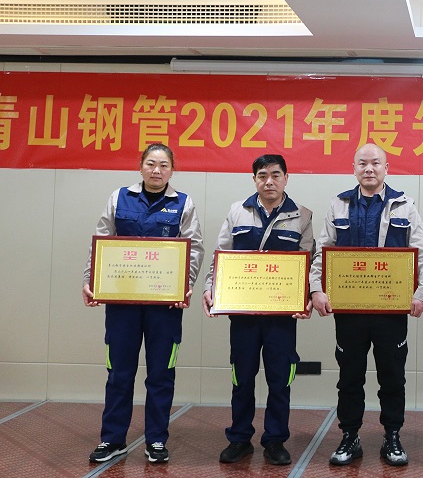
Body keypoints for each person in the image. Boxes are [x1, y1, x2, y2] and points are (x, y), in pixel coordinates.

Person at [309, 143, 423, 467]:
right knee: (350, 377)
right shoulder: (339, 205)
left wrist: (422, 293)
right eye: (362, 163)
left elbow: (422, 251)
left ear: (386, 168)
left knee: (392, 377)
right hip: (349, 311)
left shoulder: (404, 205)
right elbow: (323, 250)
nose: (369, 169)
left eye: (375, 163)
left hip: (390, 311)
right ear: (354, 168)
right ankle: (350, 436)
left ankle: (392, 436)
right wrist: (316, 289)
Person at [82, 143, 204, 464]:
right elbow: (101, 241)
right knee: (119, 373)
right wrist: (91, 280)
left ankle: (157, 440)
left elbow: (193, 248)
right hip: (122, 303)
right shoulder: (119, 197)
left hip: (165, 306)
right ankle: (112, 439)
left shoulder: (183, 203)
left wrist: (184, 285)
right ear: (140, 167)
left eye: (163, 165)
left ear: (172, 170)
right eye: (151, 164)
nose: (156, 170)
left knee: (161, 374)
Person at [202, 154, 315, 466]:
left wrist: (307, 295)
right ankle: (239, 438)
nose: (269, 181)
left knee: (280, 379)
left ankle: (275, 440)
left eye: (276, 175)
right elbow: (221, 254)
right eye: (262, 175)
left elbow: (309, 262)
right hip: (244, 314)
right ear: (254, 179)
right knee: (242, 377)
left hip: (282, 316)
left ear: (286, 178)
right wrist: (210, 287)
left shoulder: (302, 215)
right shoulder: (237, 211)